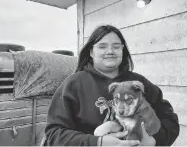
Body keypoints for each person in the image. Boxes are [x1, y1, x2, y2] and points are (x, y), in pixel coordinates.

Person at [44, 25, 179, 146]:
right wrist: (97, 143)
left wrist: (155, 141)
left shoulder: (138, 84)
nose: (110, 51)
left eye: (116, 46)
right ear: (91, 52)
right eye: (102, 46)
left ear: (122, 50)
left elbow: (169, 119)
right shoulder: (74, 84)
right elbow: (54, 134)